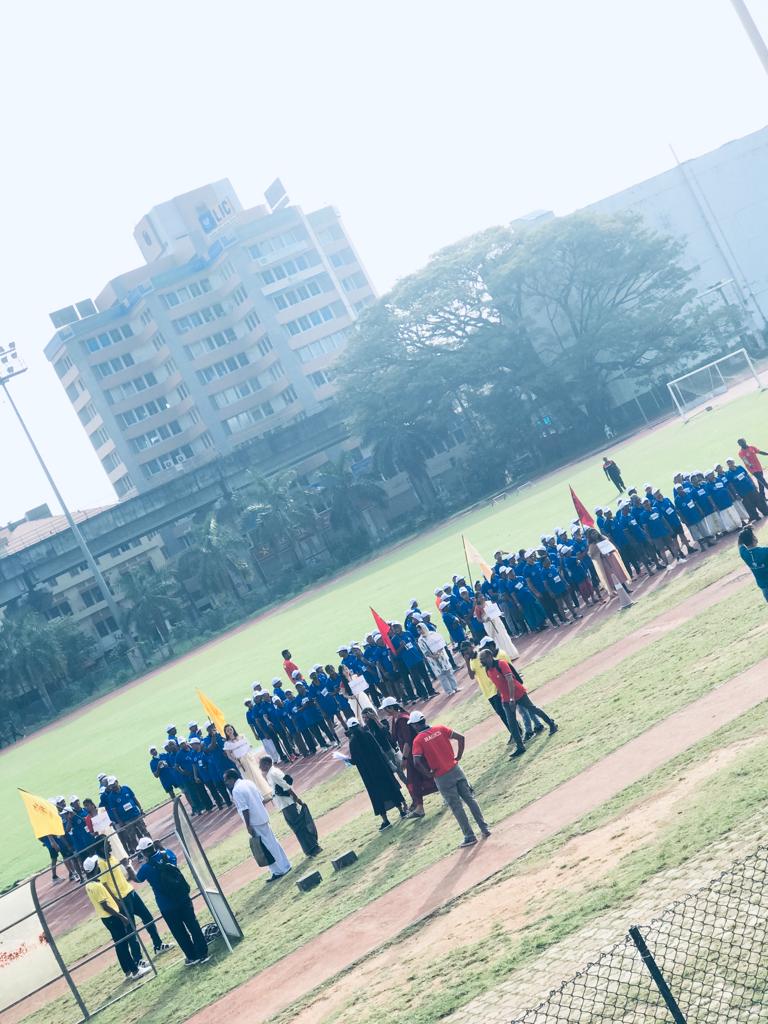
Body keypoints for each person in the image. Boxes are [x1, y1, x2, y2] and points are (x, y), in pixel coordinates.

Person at [410, 712, 490, 848]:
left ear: (416, 725)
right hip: (456, 769)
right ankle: (484, 828)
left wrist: (428, 774)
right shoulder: (440, 728)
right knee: (470, 799)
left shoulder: (418, 740)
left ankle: (469, 836)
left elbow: (416, 762)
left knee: (456, 806)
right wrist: (458, 756)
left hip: (441, 776)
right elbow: (461, 737)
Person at [133, 837, 210, 965]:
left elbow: (138, 879)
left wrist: (128, 866)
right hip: (182, 897)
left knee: (179, 932)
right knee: (193, 925)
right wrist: (160, 846)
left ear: (144, 852)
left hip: (166, 905)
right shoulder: (167, 854)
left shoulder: (146, 868)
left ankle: (192, 956)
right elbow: (173, 860)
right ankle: (203, 953)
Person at [95, 839, 174, 957]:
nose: (111, 845)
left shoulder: (111, 857)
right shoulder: (101, 864)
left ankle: (158, 945)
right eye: (108, 844)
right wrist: (117, 901)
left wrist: (128, 869)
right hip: (121, 898)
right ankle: (138, 958)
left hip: (130, 892)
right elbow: (105, 885)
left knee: (147, 917)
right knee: (131, 928)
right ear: (102, 848)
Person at [83, 855, 151, 980]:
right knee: (122, 944)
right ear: (94, 868)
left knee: (120, 944)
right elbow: (105, 906)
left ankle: (127, 971)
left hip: (106, 918)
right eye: (97, 865)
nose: (99, 866)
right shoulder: (97, 886)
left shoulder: (89, 885)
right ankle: (135, 971)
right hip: (112, 917)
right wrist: (121, 916)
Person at [479, 650, 558, 758]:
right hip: (506, 698)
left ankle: (552, 724)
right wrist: (500, 692)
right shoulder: (488, 670)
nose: (481, 661)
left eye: (482, 658)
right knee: (511, 723)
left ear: (489, 656)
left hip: (518, 693)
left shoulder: (501, 664)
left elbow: (510, 681)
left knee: (533, 709)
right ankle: (520, 746)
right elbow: (498, 682)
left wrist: (512, 698)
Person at [224, 769, 292, 881]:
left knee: (268, 846)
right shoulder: (248, 782)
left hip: (254, 821)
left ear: (232, 778)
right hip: (262, 817)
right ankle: (282, 867)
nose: (226, 783)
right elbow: (261, 799)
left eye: (226, 780)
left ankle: (281, 869)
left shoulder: (236, 790)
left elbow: (244, 809)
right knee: (272, 843)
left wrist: (248, 825)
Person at [346, 717, 408, 830]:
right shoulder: (368, 735)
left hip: (369, 775)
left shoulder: (353, 743)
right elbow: (379, 749)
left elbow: (354, 761)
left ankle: (385, 820)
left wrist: (347, 760)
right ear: (359, 725)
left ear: (350, 729)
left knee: (377, 796)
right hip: (382, 768)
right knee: (391, 788)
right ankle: (402, 811)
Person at [380, 696, 437, 818]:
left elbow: (408, 741)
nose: (384, 711)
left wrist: (404, 758)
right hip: (412, 754)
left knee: (418, 779)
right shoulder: (396, 718)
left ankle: (420, 806)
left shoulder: (402, 720)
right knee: (417, 780)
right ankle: (419, 807)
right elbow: (394, 739)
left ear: (390, 708)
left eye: (385, 709)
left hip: (413, 754)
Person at [259, 755, 321, 857]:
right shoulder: (272, 773)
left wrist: (297, 799)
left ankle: (313, 848)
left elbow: (286, 786)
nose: (260, 768)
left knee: (299, 827)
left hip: (287, 804)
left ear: (266, 764)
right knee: (297, 827)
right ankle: (310, 849)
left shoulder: (273, 773)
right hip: (285, 804)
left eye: (261, 765)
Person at [222, 724, 270, 796]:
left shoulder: (241, 736)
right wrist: (236, 762)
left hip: (249, 758)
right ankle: (257, 794)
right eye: (227, 730)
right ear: (226, 732)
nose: (230, 731)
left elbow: (249, 746)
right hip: (241, 761)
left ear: (233, 729)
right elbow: (229, 756)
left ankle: (265, 791)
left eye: (230, 729)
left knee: (256, 774)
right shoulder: (227, 743)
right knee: (249, 778)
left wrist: (250, 754)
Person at [415, 622, 459, 695]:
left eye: (421, 629)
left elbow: (441, 643)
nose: (420, 631)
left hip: (441, 655)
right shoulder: (420, 640)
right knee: (441, 675)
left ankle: (455, 687)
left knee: (448, 671)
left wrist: (438, 652)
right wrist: (433, 656)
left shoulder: (433, 634)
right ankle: (449, 691)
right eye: (418, 630)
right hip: (432, 659)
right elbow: (424, 651)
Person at [586, 529, 631, 594]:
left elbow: (610, 546)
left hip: (611, 559)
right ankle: (620, 592)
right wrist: (599, 554)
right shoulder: (592, 546)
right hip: (604, 562)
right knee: (612, 577)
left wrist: (611, 550)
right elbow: (592, 555)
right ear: (590, 536)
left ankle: (625, 589)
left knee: (618, 574)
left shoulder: (603, 538)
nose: (595, 534)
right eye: (592, 533)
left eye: (595, 532)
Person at [738, 525, 768, 602]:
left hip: (764, 589)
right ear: (754, 538)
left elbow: (739, 544)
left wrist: (743, 533)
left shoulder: (744, 554)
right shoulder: (765, 551)